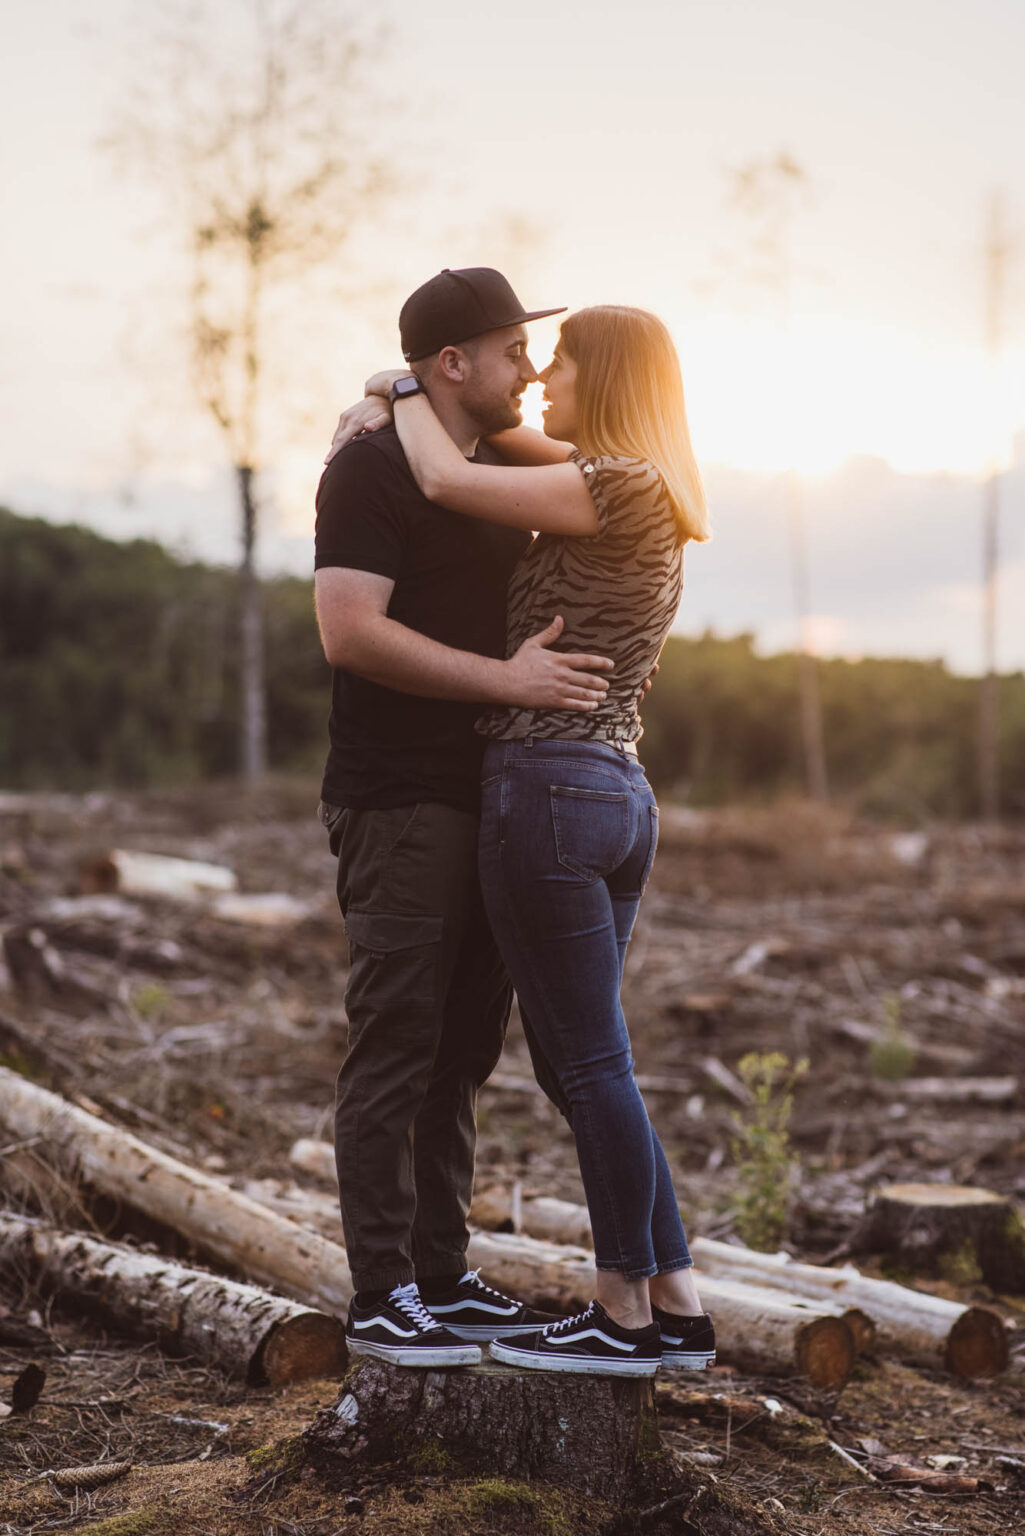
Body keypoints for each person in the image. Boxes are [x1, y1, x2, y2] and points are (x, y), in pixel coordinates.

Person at [330, 302, 716, 1378]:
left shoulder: (609, 484)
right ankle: (674, 1298)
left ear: (611, 380)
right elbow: (486, 433)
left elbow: (452, 475)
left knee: (585, 1062)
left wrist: (403, 392)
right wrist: (397, 385)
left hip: (547, 783)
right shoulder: (646, 479)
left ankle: (619, 1315)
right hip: (615, 790)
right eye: (528, 357)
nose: (542, 374)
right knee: (593, 1062)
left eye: (562, 361)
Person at [314, 268, 620, 1368]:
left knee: (458, 1055)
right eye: (509, 350)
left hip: (488, 797)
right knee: (395, 1042)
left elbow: (617, 475)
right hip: (399, 799)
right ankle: (379, 1296)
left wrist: (383, 383)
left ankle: (440, 1278)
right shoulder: (367, 467)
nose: (529, 368)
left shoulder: (485, 460)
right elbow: (349, 633)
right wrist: (508, 683)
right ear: (454, 363)